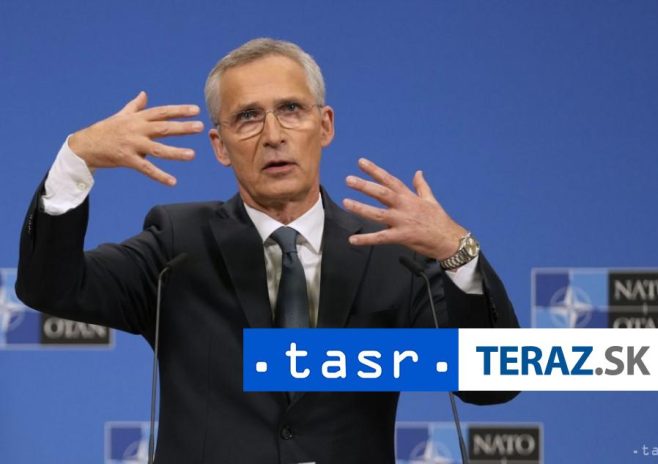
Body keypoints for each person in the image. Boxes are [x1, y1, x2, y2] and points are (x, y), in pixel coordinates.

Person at [16, 38, 519, 463]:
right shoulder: (176, 247)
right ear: (220, 145)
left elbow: (490, 382)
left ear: (325, 125)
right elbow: (51, 287)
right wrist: (76, 159)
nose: (273, 135)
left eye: (291, 110)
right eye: (247, 117)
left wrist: (458, 250)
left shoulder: (394, 255)